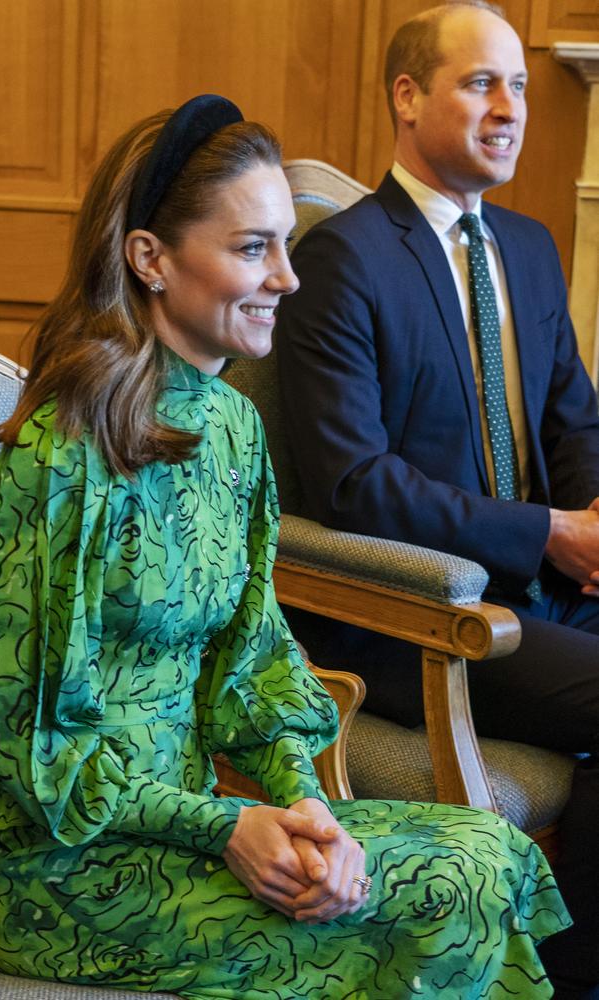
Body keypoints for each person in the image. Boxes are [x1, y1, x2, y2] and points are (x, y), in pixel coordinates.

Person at [0, 94, 569, 1000]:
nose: (287, 276)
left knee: (486, 847)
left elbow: (253, 663)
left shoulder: (234, 431)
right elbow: (26, 740)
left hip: (198, 824)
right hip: (62, 868)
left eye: (285, 242)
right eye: (253, 248)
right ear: (150, 260)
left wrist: (303, 803)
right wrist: (225, 830)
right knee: (446, 891)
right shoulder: (60, 462)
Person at [275, 3, 599, 997]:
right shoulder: (342, 259)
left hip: (546, 591)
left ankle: (544, 962)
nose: (507, 108)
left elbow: (570, 424)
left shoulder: (530, 246)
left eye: (514, 87)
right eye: (477, 83)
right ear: (406, 96)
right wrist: (543, 531)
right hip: (421, 614)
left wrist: (589, 520)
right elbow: (349, 480)